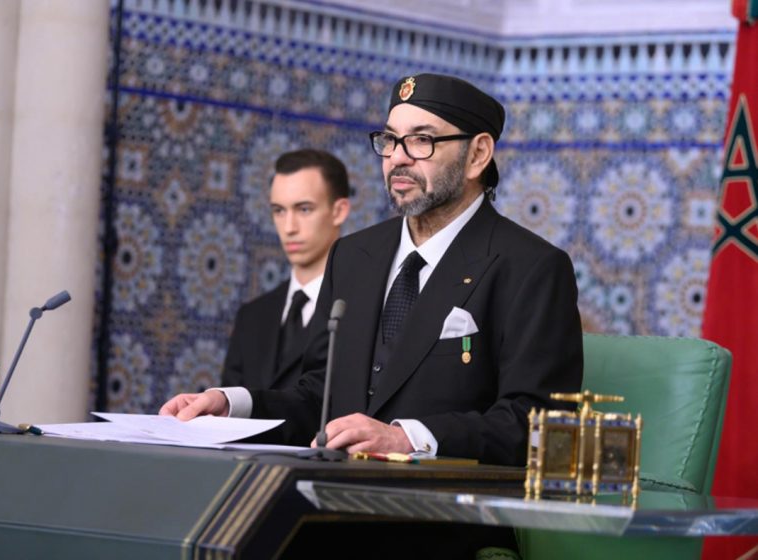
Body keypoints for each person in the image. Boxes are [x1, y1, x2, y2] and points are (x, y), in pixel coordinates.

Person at [162, 73, 583, 466]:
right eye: (390, 140)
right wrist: (232, 406)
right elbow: (319, 397)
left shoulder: (532, 267)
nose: (397, 159)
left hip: (441, 517)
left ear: (477, 155)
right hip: (331, 501)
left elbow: (540, 424)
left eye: (422, 141)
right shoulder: (353, 255)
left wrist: (407, 438)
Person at [220, 149, 350, 390]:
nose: (289, 227)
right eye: (279, 211)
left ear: (339, 211)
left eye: (304, 209)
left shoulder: (364, 311)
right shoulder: (252, 317)